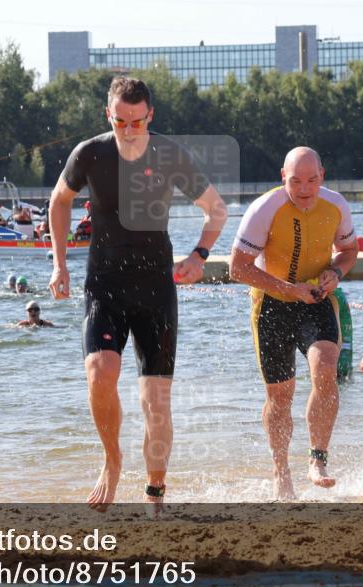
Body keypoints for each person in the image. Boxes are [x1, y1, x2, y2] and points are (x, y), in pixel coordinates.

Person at [48, 76, 227, 511]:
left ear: (150, 116)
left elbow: (216, 210)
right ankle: (112, 460)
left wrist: (199, 255)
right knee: (99, 370)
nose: (128, 129)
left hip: (154, 290)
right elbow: (59, 200)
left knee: (154, 401)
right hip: (104, 285)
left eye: (136, 121)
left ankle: (155, 489)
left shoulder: (170, 155)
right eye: (120, 120)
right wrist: (59, 264)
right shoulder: (90, 153)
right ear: (107, 115)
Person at [229, 147, 360, 499]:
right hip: (271, 305)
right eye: (296, 181)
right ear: (282, 177)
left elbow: (349, 253)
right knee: (280, 396)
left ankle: (317, 459)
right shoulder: (264, 209)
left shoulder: (336, 206)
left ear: (323, 175)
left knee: (326, 368)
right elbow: (237, 268)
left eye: (312, 181)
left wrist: (335, 272)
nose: (304, 189)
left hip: (316, 301)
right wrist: (289, 290)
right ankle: (281, 470)